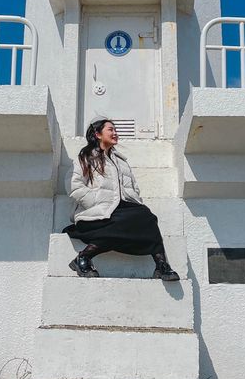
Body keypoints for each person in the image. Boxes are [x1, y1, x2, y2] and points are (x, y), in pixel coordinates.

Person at [63, 118, 180, 281]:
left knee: (146, 216)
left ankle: (161, 265)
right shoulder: (86, 157)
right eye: (110, 129)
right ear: (97, 134)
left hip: (120, 211)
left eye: (115, 130)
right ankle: (83, 257)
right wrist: (95, 201)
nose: (115, 133)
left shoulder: (122, 162)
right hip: (96, 212)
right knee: (119, 225)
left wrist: (134, 202)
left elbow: (133, 187)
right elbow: (74, 185)